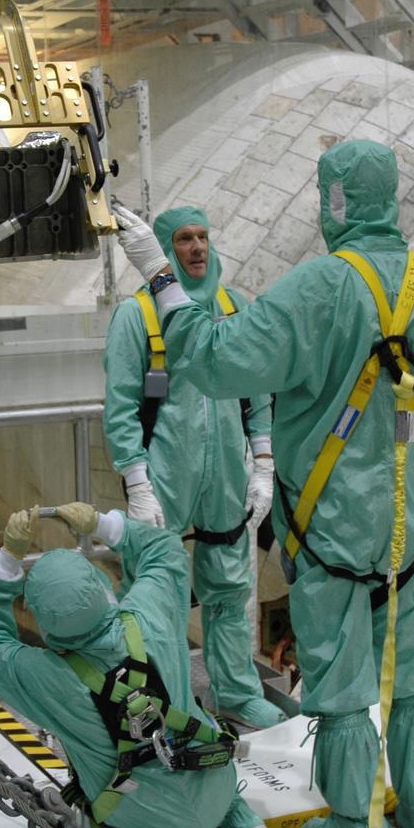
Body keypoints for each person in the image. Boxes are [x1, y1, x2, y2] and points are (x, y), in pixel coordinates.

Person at [112, 139, 414, 828]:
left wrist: (159, 275)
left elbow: (213, 358)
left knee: (342, 694)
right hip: (407, 533)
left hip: (331, 534)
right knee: (412, 680)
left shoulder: (317, 290)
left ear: (333, 202)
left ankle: (352, 818)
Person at [0, 504, 263, 828]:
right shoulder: (150, 615)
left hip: (140, 818)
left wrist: (7, 562)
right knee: (216, 777)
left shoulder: (45, 677)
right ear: (101, 586)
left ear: (42, 621)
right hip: (214, 786)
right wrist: (102, 524)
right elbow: (166, 550)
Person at [103, 205, 284, 730]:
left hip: (225, 469)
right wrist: (137, 481)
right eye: (184, 239)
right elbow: (120, 407)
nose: (198, 248)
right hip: (164, 467)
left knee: (230, 585)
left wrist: (263, 462)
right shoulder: (137, 316)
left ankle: (237, 694)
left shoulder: (232, 307)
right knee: (154, 587)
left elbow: (256, 390)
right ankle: (163, 701)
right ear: (164, 248)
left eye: (203, 237)